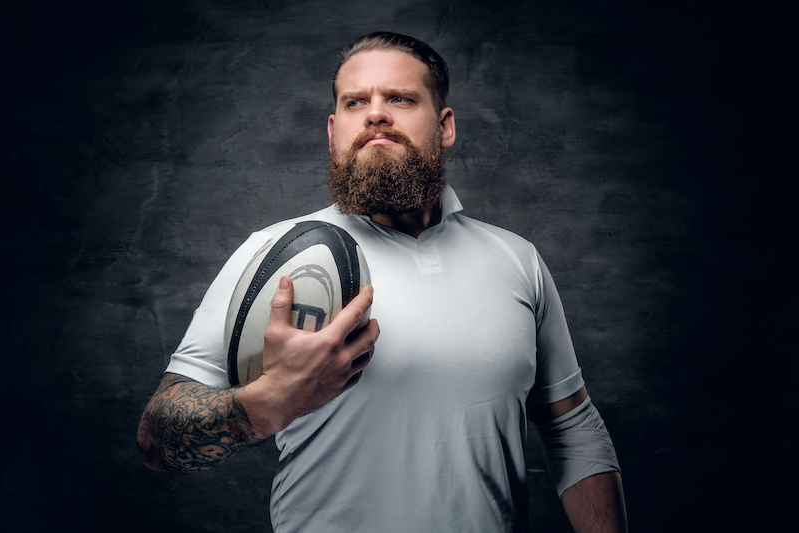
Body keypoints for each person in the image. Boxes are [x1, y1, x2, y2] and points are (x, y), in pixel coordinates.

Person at [137, 31, 628, 532]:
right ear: (333, 131)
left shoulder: (516, 259)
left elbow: (573, 430)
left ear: (445, 126)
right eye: (356, 102)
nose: (375, 114)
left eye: (399, 98)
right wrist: (271, 400)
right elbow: (157, 440)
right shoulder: (273, 256)